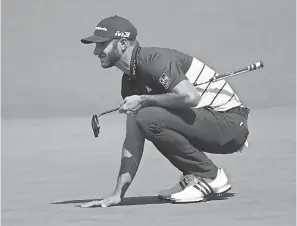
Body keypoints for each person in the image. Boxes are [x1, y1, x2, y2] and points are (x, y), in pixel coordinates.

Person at [80, 15, 250, 208]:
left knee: (148, 116)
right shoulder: (129, 81)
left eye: (102, 45)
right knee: (145, 119)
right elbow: (133, 140)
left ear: (123, 44)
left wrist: (143, 100)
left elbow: (190, 97)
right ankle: (194, 174)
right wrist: (118, 194)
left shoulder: (154, 60)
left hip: (230, 125)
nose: (96, 51)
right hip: (208, 124)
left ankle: (209, 176)